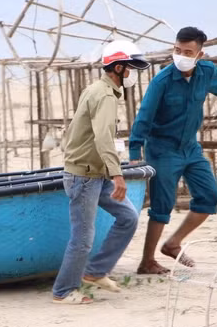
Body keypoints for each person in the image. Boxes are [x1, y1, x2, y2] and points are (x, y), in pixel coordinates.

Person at [128, 27, 217, 274]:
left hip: (190, 148)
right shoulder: (162, 81)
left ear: (199, 54)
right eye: (177, 50)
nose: (181, 56)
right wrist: (135, 153)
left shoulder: (207, 72)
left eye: (188, 52)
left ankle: (173, 243)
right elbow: (144, 116)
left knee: (209, 196)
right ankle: (147, 261)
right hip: (162, 149)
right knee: (162, 205)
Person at [52, 39, 149, 304]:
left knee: (128, 216)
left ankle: (95, 272)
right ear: (118, 68)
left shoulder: (97, 89)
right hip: (84, 175)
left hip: (97, 173)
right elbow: (103, 138)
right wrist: (117, 175)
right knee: (83, 238)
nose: (132, 74)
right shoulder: (105, 95)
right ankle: (63, 291)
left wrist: (109, 171)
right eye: (130, 68)